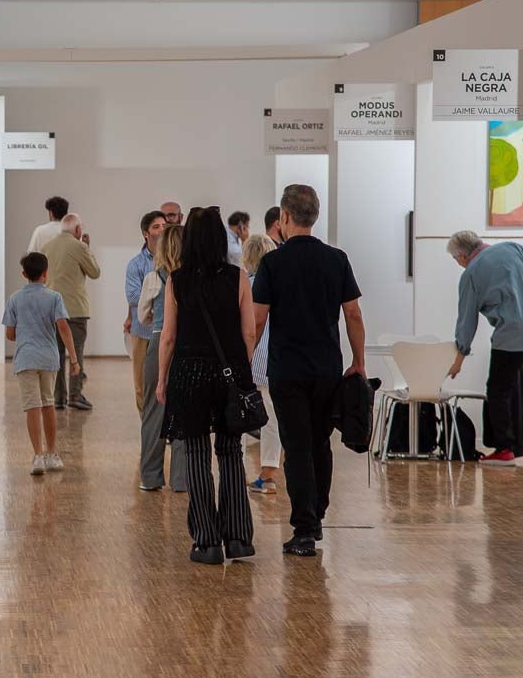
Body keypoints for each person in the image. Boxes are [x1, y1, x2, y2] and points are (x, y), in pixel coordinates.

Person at [252, 185, 366, 558]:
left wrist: (243, 364)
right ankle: (317, 513)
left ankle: (304, 528)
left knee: (296, 446)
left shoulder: (272, 264)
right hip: (326, 369)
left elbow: (257, 321)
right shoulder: (337, 259)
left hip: (287, 371)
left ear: (284, 217)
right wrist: (359, 361)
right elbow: (352, 314)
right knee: (320, 443)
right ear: (314, 216)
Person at [156, 207, 256, 565]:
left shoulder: (177, 280)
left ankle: (207, 541)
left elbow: (168, 337)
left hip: (190, 373)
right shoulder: (238, 276)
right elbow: (249, 331)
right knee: (231, 452)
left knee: (196, 454)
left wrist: (162, 378)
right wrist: (237, 367)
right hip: (229, 373)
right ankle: (239, 537)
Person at [445, 230, 523, 465]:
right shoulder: (514, 248)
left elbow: (467, 321)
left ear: (462, 257)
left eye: (456, 261)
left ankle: (505, 449)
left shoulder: (471, 274)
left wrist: (458, 360)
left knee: (498, 392)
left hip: (509, 336)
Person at [3, 251, 79, 475]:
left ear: (24, 273)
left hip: (26, 358)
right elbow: (63, 328)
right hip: (49, 357)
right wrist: (73, 359)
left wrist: (26, 333)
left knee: (32, 407)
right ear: (46, 273)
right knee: (48, 404)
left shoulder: (15, 298)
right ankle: (52, 454)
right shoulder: (54, 297)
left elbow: (10, 334)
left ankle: (37, 456)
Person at [136, 224, 187, 493]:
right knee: (184, 412)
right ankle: (182, 479)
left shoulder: (153, 278)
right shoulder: (193, 277)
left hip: (158, 341)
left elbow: (142, 315)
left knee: (153, 411)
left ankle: (151, 476)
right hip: (187, 345)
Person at [43, 212, 101, 410]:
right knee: (76, 352)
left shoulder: (46, 247)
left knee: (56, 354)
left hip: (51, 309)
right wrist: (87, 248)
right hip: (75, 309)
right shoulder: (78, 246)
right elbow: (94, 272)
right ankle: (75, 395)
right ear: (77, 229)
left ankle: (58, 397)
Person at [241, 234, 280, 496]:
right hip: (274, 359)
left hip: (250, 356)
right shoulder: (280, 286)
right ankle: (268, 474)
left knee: (240, 414)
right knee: (272, 420)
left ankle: (236, 470)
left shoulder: (246, 286)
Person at [124, 210, 167, 413]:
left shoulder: (175, 260)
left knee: (166, 380)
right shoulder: (136, 264)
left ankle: (167, 426)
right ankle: (147, 425)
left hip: (167, 331)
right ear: (145, 233)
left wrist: (150, 297)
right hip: (143, 333)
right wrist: (159, 300)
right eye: (156, 226)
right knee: (142, 384)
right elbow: (132, 296)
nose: (161, 230)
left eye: (163, 226)